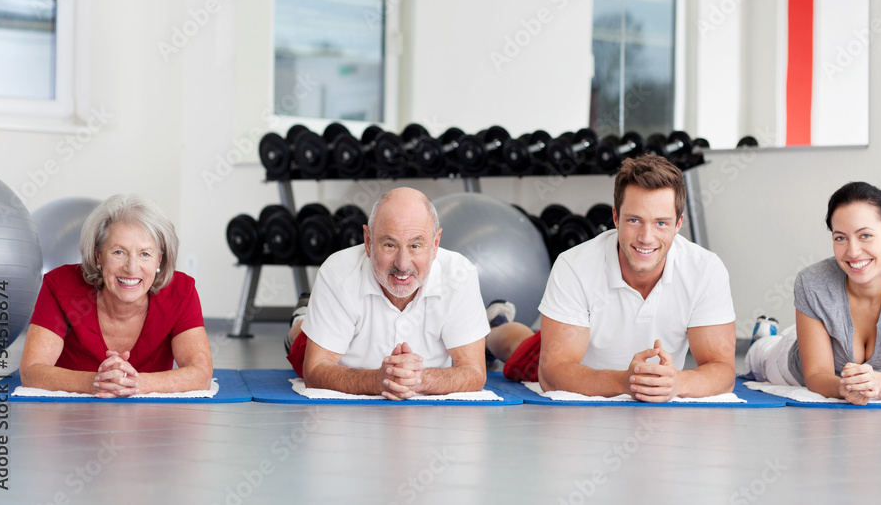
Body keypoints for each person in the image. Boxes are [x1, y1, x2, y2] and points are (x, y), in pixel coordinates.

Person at [488, 155, 737, 401]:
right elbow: (552, 374)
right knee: (515, 347)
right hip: (577, 361)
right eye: (634, 220)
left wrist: (678, 382)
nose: (646, 237)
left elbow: (723, 370)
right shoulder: (574, 266)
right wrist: (626, 382)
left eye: (661, 223)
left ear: (678, 224)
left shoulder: (705, 269)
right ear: (616, 218)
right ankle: (493, 327)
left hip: (614, 369)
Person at [743, 181, 881, 405]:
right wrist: (843, 388)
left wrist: (878, 383)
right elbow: (816, 375)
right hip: (788, 362)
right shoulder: (812, 282)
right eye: (840, 238)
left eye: (865, 235)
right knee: (760, 356)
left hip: (853, 366)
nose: (853, 252)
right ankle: (762, 338)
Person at [285, 187, 489, 399]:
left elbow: (474, 373)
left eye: (415, 246)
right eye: (390, 245)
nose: (402, 265)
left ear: (435, 244)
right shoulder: (336, 272)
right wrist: (377, 380)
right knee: (302, 338)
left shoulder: (460, 274)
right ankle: (301, 316)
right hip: (338, 352)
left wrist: (420, 379)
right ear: (368, 241)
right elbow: (314, 371)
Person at [20, 195, 212, 397]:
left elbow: (201, 374)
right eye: (119, 252)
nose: (131, 268)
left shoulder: (181, 291)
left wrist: (137, 383)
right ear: (98, 256)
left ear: (159, 261)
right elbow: (31, 371)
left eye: (145, 254)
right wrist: (94, 382)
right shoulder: (59, 286)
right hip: (67, 418)